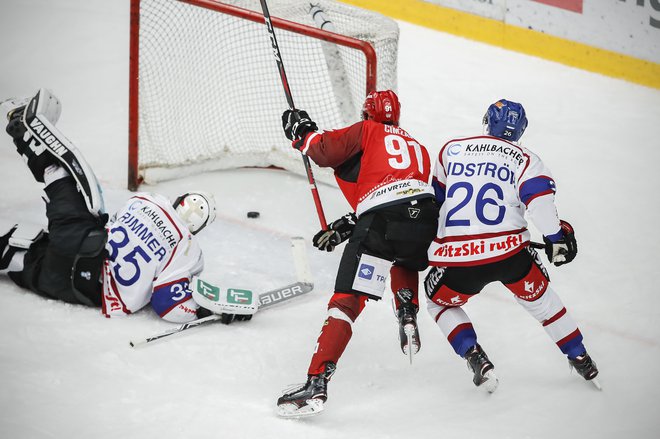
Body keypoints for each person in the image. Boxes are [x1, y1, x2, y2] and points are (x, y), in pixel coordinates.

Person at [0, 88, 249, 323]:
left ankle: (25, 135)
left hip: (84, 241)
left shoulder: (147, 200)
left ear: (179, 200)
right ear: (198, 228)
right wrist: (203, 311)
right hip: (78, 289)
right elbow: (168, 304)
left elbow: (115, 224)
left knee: (59, 178)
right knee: (27, 265)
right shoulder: (189, 250)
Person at [276, 90, 439, 417]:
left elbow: (322, 151)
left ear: (368, 115)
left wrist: (302, 131)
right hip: (424, 219)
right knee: (401, 252)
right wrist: (346, 226)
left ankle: (316, 382)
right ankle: (407, 310)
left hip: (381, 221)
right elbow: (396, 195)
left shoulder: (368, 131)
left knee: (347, 302)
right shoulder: (419, 149)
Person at [424, 99, 599, 393]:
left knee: (437, 302)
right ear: (521, 130)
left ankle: (474, 355)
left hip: (458, 261)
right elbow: (541, 205)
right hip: (511, 256)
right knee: (543, 302)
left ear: (487, 121)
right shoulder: (526, 158)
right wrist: (556, 238)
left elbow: (436, 203)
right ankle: (580, 357)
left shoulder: (450, 149)